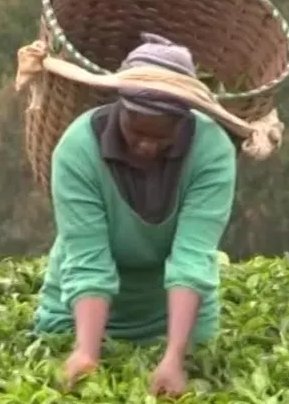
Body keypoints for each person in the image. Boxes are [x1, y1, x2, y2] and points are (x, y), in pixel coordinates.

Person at [32, 32, 238, 397]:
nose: (146, 145)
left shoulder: (212, 152)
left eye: (161, 137)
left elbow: (193, 258)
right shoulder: (78, 149)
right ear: (119, 107)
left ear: (183, 119)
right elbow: (87, 260)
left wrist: (174, 356)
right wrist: (85, 352)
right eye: (136, 131)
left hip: (175, 320)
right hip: (77, 316)